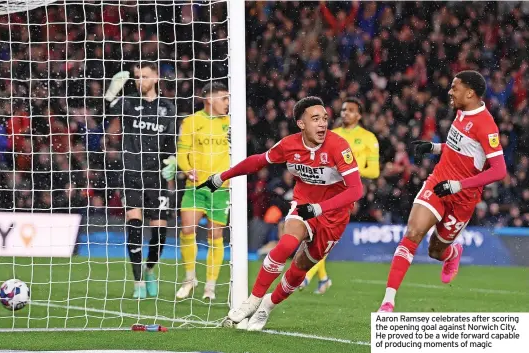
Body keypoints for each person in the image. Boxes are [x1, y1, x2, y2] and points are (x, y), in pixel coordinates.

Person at [198, 96, 363, 331]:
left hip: (334, 215)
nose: (322, 124)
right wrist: (221, 176)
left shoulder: (338, 146)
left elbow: (356, 190)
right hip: (304, 204)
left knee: (300, 268)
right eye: (315, 119)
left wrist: (320, 208)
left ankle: (268, 305)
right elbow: (257, 162)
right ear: (301, 123)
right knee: (286, 244)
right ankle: (252, 301)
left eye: (325, 118)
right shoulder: (289, 145)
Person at [378, 70, 507, 312]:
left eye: (455, 87)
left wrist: (459, 185)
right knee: (413, 232)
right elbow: (462, 148)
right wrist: (435, 147)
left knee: (436, 251)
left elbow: (499, 170)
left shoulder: (486, 126)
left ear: (470, 93)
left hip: (463, 197)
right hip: (438, 183)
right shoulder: (460, 111)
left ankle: (451, 253)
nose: (450, 91)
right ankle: (388, 301)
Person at [105, 62, 177, 299]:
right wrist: (110, 92)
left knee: (159, 235)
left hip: (155, 177)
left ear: (156, 78)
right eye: (137, 77)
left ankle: (149, 270)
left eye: (145, 76)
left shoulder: (168, 108)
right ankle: (137, 282)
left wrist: (172, 163)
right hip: (131, 173)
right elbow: (104, 110)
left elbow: (170, 144)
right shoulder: (128, 103)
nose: (140, 80)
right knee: (134, 227)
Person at [302, 97, 380, 294]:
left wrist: (351, 170)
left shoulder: (369, 138)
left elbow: (375, 171)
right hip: (324, 187)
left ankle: (308, 275)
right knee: (318, 233)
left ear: (359, 115)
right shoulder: (330, 135)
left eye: (351, 110)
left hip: (347, 192)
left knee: (322, 233)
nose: (346, 113)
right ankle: (322, 278)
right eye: (344, 109)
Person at [173, 82, 230, 301]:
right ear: (209, 100)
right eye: (224, 99)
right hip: (195, 187)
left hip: (221, 189)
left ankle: (210, 286)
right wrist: (187, 170)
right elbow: (182, 152)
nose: (227, 103)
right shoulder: (191, 121)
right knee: (187, 230)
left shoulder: (231, 123)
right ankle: (189, 279)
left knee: (215, 236)